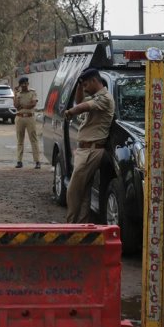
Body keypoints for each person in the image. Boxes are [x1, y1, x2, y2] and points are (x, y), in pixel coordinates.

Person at [63, 68, 115, 224]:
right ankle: (83, 227)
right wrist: (79, 85)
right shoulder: (95, 97)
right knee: (84, 193)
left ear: (94, 81)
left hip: (91, 151)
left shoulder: (104, 98)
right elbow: (80, 101)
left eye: (86, 85)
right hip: (85, 150)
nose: (84, 88)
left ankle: (70, 226)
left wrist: (70, 112)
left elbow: (81, 107)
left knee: (73, 190)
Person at [14, 76, 42, 169]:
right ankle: (19, 161)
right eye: (23, 84)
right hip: (19, 118)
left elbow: (33, 104)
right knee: (20, 140)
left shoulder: (32, 92)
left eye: (26, 83)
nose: (25, 85)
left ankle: (37, 161)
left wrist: (23, 106)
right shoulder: (18, 93)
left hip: (30, 118)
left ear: (28, 84)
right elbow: (16, 105)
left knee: (33, 140)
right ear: (20, 85)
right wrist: (15, 93)